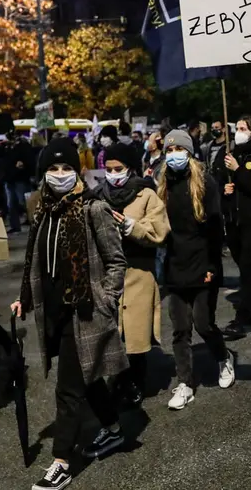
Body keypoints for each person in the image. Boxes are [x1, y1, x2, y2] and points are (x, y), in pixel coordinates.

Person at [9, 137, 130, 490]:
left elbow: (116, 261)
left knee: (68, 388)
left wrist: (106, 298)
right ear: (43, 172)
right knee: (88, 379)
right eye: (53, 168)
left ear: (77, 171)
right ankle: (114, 429)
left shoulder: (94, 208)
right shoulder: (44, 209)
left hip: (85, 312)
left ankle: (61, 461)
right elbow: (35, 259)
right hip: (55, 313)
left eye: (66, 168)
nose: (60, 174)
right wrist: (25, 297)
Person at [157, 130, 235, 411]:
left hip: (203, 264)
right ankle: (186, 383)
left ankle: (223, 357)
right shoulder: (163, 184)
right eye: (169, 149)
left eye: (179, 148)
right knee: (180, 329)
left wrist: (213, 267)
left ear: (189, 152)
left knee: (203, 323)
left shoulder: (205, 183)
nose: (173, 153)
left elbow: (215, 230)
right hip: (175, 266)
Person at [93, 143, 170, 407]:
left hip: (139, 271)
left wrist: (131, 226)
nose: (113, 174)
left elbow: (159, 231)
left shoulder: (146, 194)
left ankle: (136, 381)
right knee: (112, 333)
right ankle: (118, 381)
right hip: (108, 276)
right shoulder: (97, 196)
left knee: (136, 336)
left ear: (130, 168)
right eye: (109, 169)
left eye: (119, 169)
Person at [213, 116, 251, 340]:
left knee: (248, 266)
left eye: (243, 128)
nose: (238, 132)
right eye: (236, 128)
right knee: (244, 266)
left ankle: (242, 318)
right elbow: (215, 180)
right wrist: (224, 189)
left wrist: (239, 171)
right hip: (232, 220)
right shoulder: (226, 154)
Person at [0, 130, 35, 233]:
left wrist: (24, 165)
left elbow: (29, 160)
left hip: (20, 178)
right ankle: (15, 225)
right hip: (9, 178)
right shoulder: (5, 148)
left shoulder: (23, 147)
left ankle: (33, 221)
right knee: (11, 204)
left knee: (24, 202)